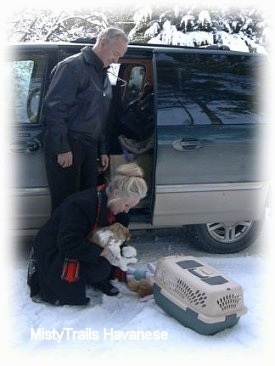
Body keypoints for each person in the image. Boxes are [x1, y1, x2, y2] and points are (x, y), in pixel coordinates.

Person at [27, 163, 148, 306]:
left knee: (104, 267)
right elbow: (67, 242)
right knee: (100, 268)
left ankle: (95, 279)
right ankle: (69, 284)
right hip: (54, 250)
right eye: (126, 205)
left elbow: (114, 240)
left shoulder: (116, 211)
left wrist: (119, 250)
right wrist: (100, 252)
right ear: (115, 193)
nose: (126, 210)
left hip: (82, 244)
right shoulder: (81, 205)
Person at [43, 27, 129, 212]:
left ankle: (76, 240)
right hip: (69, 145)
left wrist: (102, 150)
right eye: (115, 53)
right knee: (66, 205)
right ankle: (56, 241)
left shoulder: (103, 74)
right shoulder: (72, 67)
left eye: (120, 56)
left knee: (85, 203)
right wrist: (62, 147)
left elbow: (102, 117)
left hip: (90, 147)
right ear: (103, 42)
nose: (116, 60)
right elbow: (54, 109)